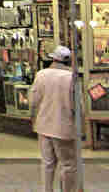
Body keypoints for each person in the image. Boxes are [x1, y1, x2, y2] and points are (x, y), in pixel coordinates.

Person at [29, 45, 78, 192]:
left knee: (47, 163)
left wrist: (32, 118)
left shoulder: (41, 74)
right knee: (68, 164)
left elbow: (33, 100)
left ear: (53, 59)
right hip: (64, 127)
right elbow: (77, 105)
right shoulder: (71, 78)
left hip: (43, 125)